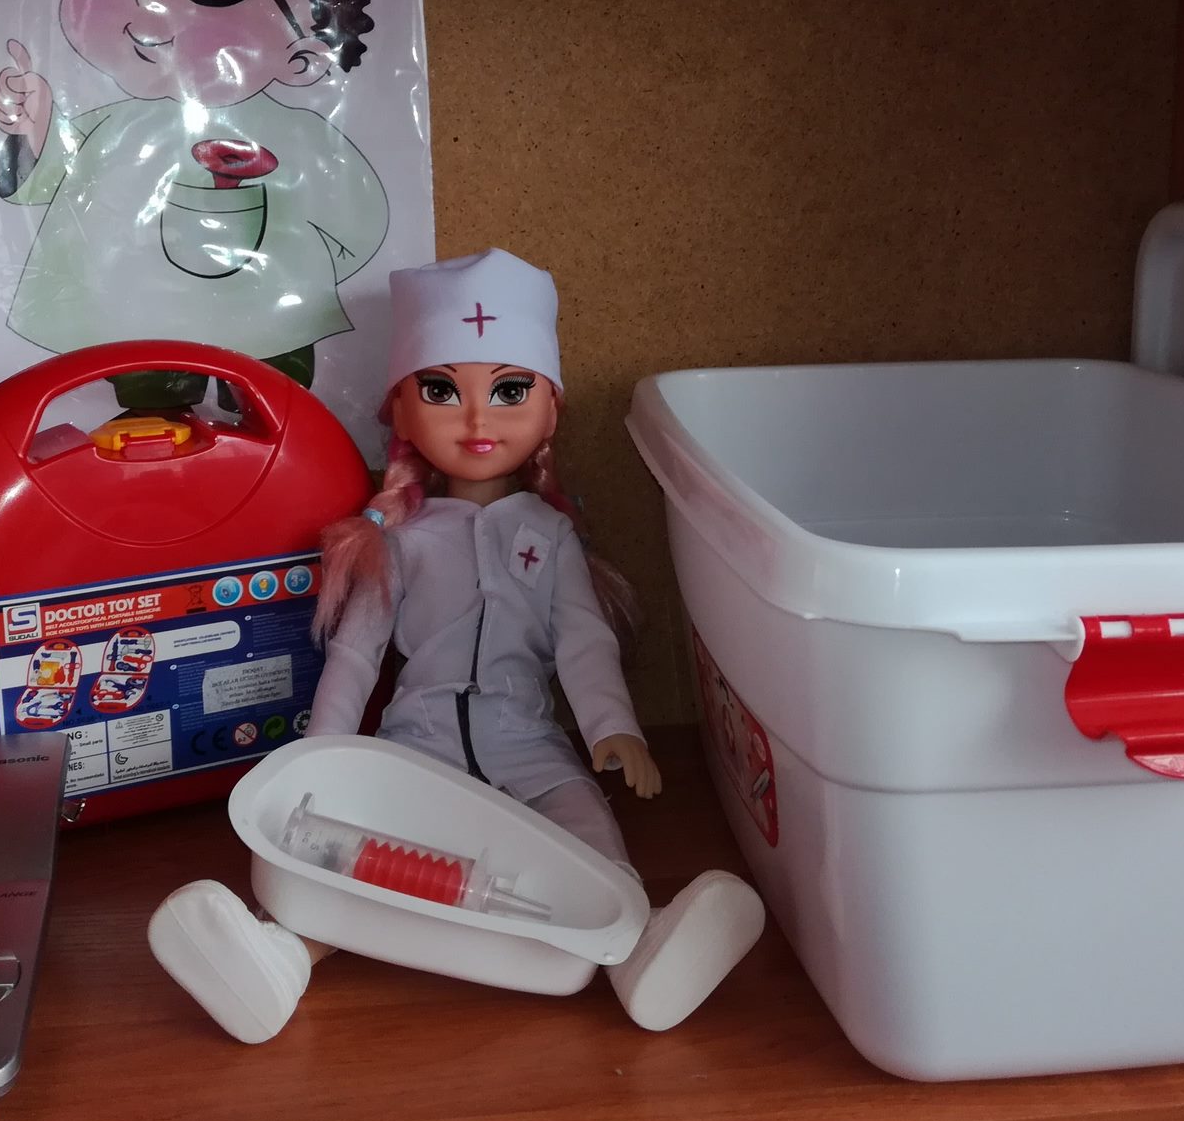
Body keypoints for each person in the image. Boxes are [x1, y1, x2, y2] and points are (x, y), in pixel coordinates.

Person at [148, 249, 764, 1039]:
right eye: (442, 392)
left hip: (529, 744)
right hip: (416, 746)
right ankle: (281, 955)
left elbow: (582, 642)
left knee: (584, 829)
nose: (478, 421)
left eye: (510, 391)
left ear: (550, 411)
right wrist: (322, 754)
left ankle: (638, 946)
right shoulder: (399, 541)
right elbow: (356, 655)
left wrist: (615, 729)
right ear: (401, 414)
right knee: (357, 852)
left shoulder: (551, 538)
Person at [0, 0, 388, 409]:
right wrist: (35, 126)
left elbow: (358, 222)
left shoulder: (302, 138)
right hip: (138, 321)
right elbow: (46, 185)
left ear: (303, 58)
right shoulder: (117, 128)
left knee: (273, 410)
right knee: (149, 413)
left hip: (268, 326)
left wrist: (303, 275)